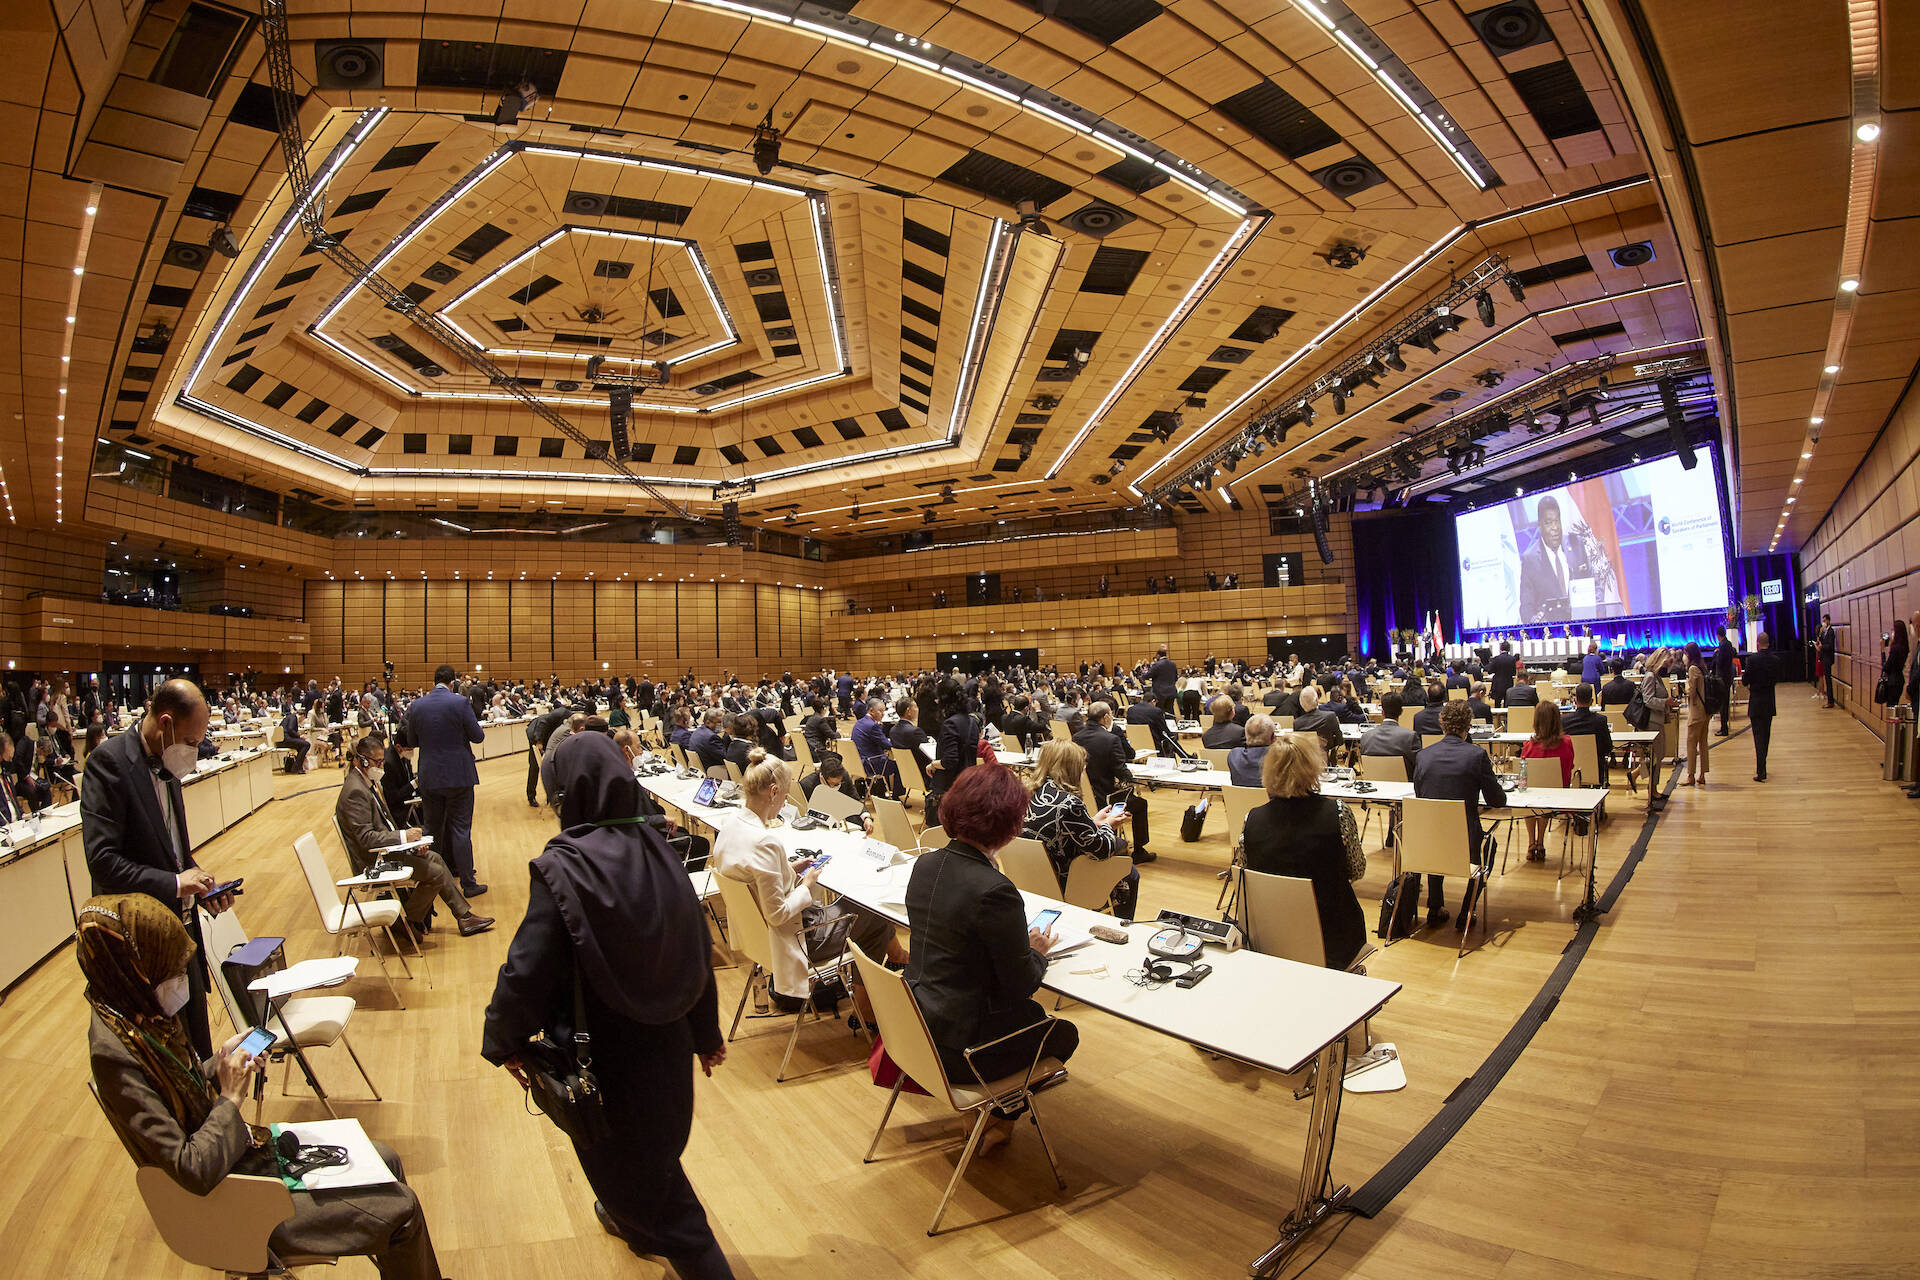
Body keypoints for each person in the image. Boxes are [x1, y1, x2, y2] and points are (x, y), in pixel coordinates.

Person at [81, 896, 444, 1280]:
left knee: (386, 1159)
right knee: (402, 1210)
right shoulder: (118, 1056)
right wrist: (230, 1097)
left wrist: (218, 1063)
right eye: (170, 973)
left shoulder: (139, 1016)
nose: (181, 982)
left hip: (235, 1163)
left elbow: (177, 1086)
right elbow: (191, 1170)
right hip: (230, 1199)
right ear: (135, 970)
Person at [481, 735, 734, 1280]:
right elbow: (695, 950)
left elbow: (527, 968)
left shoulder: (564, 867)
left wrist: (502, 1040)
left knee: (662, 1201)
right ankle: (631, 1220)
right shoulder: (663, 851)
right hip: (666, 1057)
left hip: (605, 1060)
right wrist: (705, 1034)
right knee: (651, 1165)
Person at [905, 763, 1078, 1151]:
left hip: (918, 1029)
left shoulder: (925, 864)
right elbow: (1021, 985)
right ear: (1010, 823)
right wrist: (1035, 952)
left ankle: (985, 1116)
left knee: (1031, 1021)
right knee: (1061, 1032)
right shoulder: (994, 890)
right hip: (962, 1050)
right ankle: (999, 1118)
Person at [81, 679, 235, 1059]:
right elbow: (102, 861)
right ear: (165, 724)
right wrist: (175, 882)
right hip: (142, 944)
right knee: (168, 1059)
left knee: (199, 1048)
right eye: (192, 741)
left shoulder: (168, 762)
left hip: (181, 937)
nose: (195, 752)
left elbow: (172, 852)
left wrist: (199, 882)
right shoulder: (109, 763)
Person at [714, 750, 903, 1025]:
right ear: (774, 792)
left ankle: (890, 968)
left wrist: (790, 870)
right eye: (785, 795)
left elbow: (755, 881)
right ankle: (868, 1012)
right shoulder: (765, 842)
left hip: (758, 936)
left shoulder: (730, 825)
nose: (785, 801)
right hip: (797, 938)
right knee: (874, 914)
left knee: (863, 909)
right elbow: (777, 913)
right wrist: (807, 885)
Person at [335, 737, 492, 939]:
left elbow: (383, 827)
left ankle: (463, 916)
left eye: (382, 761)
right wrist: (403, 837)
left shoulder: (366, 783)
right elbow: (366, 839)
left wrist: (410, 843)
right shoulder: (355, 791)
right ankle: (407, 920)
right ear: (361, 761)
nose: (381, 767)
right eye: (377, 762)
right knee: (434, 873)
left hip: (385, 852)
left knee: (434, 857)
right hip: (373, 861)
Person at [1241, 733, 1367, 970]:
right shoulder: (1338, 813)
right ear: (1313, 767)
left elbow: (1248, 874)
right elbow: (1357, 870)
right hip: (1332, 937)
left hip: (1272, 935)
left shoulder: (1252, 819)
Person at [1411, 700, 1507, 930]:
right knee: (1489, 845)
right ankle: (1467, 909)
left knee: (1438, 832)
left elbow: (1420, 794)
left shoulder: (1423, 756)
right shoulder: (1476, 756)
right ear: (1469, 726)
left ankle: (1435, 906)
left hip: (1429, 841)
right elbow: (1497, 800)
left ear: (1442, 724)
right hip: (1465, 842)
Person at [1021, 741, 1135, 918]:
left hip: (1029, 875)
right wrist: (1108, 825)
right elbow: (1101, 850)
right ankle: (1121, 925)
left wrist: (1092, 822)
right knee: (1129, 871)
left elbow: (1058, 826)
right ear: (1072, 769)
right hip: (1065, 878)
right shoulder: (1069, 803)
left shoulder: (1028, 794)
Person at [405, 664, 486, 899]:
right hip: (459, 775)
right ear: (453, 683)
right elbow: (478, 737)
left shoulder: (417, 705)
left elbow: (411, 739)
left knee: (432, 829)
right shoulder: (460, 702)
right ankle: (468, 884)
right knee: (461, 829)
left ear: (434, 681)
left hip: (429, 775)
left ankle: (435, 881)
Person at [1073, 701, 1152, 861]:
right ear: (1106, 717)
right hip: (1107, 798)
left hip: (1082, 796)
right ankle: (1139, 851)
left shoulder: (1076, 737)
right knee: (1140, 804)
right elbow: (1121, 772)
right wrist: (1128, 774)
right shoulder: (1111, 739)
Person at [1518, 494, 1591, 623]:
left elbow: (1594, 584)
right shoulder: (1530, 560)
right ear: (1539, 526)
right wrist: (1536, 622)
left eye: (1557, 521)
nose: (1555, 528)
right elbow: (1526, 608)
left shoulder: (1576, 544)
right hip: (1553, 632)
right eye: (1549, 523)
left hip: (1583, 623)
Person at [1519, 702, 1574, 861]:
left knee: (1530, 799)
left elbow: (1523, 774)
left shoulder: (1528, 746)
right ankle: (1541, 842)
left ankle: (1531, 843)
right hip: (1557, 796)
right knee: (1544, 797)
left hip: (1532, 798)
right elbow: (1570, 766)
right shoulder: (1566, 742)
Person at [1636, 648, 1679, 807]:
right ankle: (1652, 790)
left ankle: (1652, 788)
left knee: (1657, 756)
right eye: (1667, 663)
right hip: (1651, 723)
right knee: (1655, 757)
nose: (1668, 667)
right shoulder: (1650, 677)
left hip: (1657, 721)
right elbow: (1648, 700)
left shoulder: (1656, 677)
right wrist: (1665, 703)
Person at [1742, 631, 1783, 782]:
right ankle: (1762, 767)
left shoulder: (1752, 660)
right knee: (1766, 737)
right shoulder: (1776, 660)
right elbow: (1776, 679)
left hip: (1756, 703)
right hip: (1769, 703)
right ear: (1769, 643)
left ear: (1758, 644)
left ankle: (1761, 771)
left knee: (1758, 738)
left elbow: (1745, 681)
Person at [1561, 684, 1614, 787]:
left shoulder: (1564, 721)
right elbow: (1608, 747)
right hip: (1596, 769)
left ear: (1575, 701)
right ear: (1592, 701)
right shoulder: (1600, 721)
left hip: (1570, 769)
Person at [1359, 693, 1419, 777]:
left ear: (1382, 712)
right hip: (1405, 787)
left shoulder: (1365, 737)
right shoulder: (1410, 737)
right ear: (1401, 712)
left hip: (1375, 786)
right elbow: (1419, 765)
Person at [851, 698, 899, 798]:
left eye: (884, 711)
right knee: (898, 766)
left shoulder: (858, 723)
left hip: (857, 763)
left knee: (885, 759)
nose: (883, 713)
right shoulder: (873, 726)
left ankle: (880, 791)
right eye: (880, 711)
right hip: (870, 765)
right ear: (871, 710)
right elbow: (887, 745)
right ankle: (896, 796)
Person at [1682, 647, 1711, 788]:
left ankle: (1691, 775)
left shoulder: (1693, 669)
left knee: (1691, 743)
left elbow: (1691, 692)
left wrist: (1686, 685)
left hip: (1697, 711)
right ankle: (1702, 774)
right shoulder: (1703, 666)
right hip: (1706, 711)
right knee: (1703, 743)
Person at [1290, 684, 1343, 756]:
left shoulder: (1297, 723)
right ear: (1317, 700)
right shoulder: (1330, 716)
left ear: (1301, 703)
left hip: (1306, 760)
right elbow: (1340, 741)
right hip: (1324, 759)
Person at [1227, 714, 1276, 788]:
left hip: (1239, 799)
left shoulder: (1233, 755)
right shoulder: (1280, 757)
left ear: (1246, 735)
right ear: (1273, 737)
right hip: (1270, 799)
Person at [1712, 631, 1739, 735]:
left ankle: (1724, 728)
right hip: (1728, 678)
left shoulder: (1723, 646)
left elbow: (1719, 662)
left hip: (1722, 679)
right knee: (1725, 703)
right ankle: (1725, 726)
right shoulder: (1728, 644)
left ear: (1718, 635)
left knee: (1723, 704)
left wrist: (1716, 654)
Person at [279, 702, 311, 773]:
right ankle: (296, 767)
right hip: (285, 740)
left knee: (301, 746)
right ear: (302, 716)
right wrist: (299, 736)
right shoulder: (293, 717)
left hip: (282, 740)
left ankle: (297, 767)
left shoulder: (289, 717)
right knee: (306, 744)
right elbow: (290, 729)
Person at [1148, 644, 1178, 714]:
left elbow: (1147, 675)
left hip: (1159, 693)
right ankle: (1170, 724)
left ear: (1158, 655)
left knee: (1159, 712)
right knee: (1170, 712)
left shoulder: (1156, 664)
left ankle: (1160, 725)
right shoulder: (1173, 664)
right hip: (1171, 692)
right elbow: (1176, 678)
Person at [1816, 614, 1838, 707]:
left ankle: (1830, 701)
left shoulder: (1831, 632)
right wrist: (1820, 634)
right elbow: (1820, 641)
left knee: (1828, 680)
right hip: (1824, 658)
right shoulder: (1825, 631)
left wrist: (1822, 647)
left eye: (1825, 621)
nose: (1823, 623)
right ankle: (1829, 700)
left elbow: (1830, 646)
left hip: (1828, 658)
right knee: (1826, 679)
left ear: (1828, 621)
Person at [1488, 641, 1518, 706]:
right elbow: (1513, 673)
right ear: (1509, 649)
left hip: (1497, 684)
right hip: (1508, 684)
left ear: (1500, 648)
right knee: (1507, 703)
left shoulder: (1496, 658)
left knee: (1497, 703)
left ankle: (1497, 716)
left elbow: (1490, 670)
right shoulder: (1512, 659)